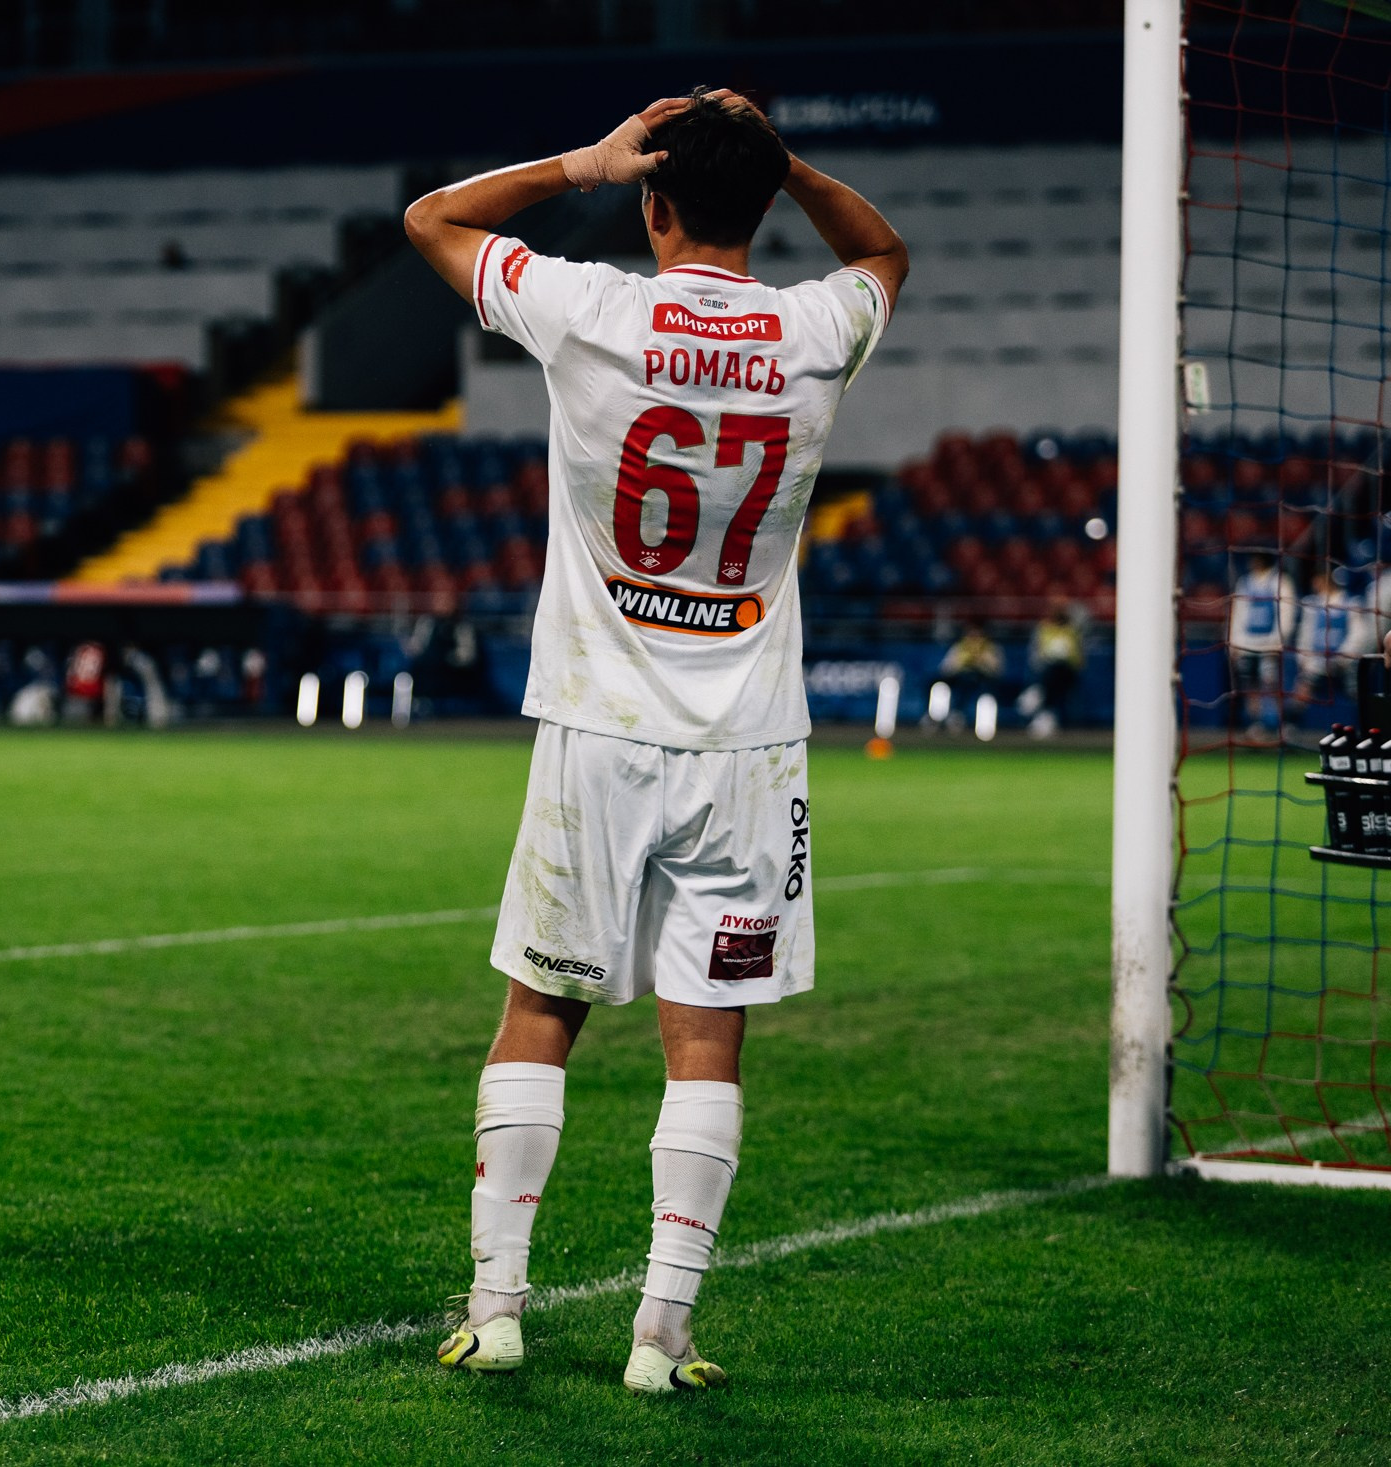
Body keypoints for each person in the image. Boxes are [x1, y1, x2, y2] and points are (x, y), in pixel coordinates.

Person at [404, 87, 905, 1394]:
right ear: (762, 198)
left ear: (652, 199)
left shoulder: (597, 310)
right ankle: (660, 1333)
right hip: (747, 739)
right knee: (708, 1039)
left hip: (594, 724)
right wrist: (787, 167)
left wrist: (585, 156)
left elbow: (434, 217)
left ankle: (498, 1307)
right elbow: (884, 255)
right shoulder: (812, 328)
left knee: (540, 1007)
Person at [1229, 551, 1296, 743]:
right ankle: (1257, 724)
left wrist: (1279, 640)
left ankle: (1280, 725)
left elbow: (1286, 612)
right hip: (1248, 643)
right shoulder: (1245, 582)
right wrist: (1235, 641)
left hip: (1270, 644)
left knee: (1272, 684)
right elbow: (1239, 613)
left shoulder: (1280, 582)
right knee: (1251, 686)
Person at [1294, 565, 1361, 710]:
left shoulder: (1351, 603)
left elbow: (1357, 636)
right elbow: (1305, 634)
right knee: (1302, 688)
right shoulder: (1312, 603)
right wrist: (1305, 659)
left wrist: (1341, 659)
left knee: (1355, 691)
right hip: (1316, 662)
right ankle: (1293, 723)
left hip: (1343, 663)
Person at [1023, 605, 1086, 737]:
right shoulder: (1044, 630)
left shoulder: (1071, 632)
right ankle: (1046, 709)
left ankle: (1040, 695)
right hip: (1047, 670)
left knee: (1056, 672)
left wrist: (1066, 657)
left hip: (1067, 673)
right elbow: (1036, 656)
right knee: (1052, 672)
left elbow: (1079, 660)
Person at [938, 621, 1005, 733]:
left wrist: (981, 661)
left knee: (976, 683)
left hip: (983, 680)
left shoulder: (991, 648)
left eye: (977, 635)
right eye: (971, 635)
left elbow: (998, 670)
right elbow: (945, 669)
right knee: (949, 682)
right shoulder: (960, 647)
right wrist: (962, 662)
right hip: (960, 680)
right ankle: (948, 716)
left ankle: (976, 720)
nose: (974, 638)